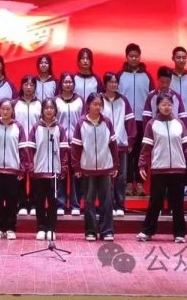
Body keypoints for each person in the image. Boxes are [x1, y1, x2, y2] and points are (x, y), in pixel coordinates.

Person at [136, 93, 187, 243]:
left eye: (169, 105)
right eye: (163, 105)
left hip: (178, 169)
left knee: (178, 203)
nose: (166, 107)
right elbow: (146, 147)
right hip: (159, 169)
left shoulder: (179, 123)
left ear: (173, 106)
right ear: (158, 106)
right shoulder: (151, 124)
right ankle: (147, 231)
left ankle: (179, 233)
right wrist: (142, 165)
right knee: (155, 201)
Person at [73, 93, 118, 241]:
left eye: (100, 104)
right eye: (95, 104)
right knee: (89, 201)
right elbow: (76, 147)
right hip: (88, 168)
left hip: (106, 167)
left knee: (107, 201)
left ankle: (107, 231)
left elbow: (113, 145)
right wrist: (77, 167)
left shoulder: (107, 122)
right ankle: (90, 231)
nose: (98, 107)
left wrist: (115, 165)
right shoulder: (81, 123)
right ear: (88, 105)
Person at [0, 99, 27, 239]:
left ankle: (11, 228)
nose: (5, 112)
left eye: (8, 109)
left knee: (12, 200)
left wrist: (22, 169)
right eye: (3, 109)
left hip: (13, 170)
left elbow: (23, 150)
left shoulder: (18, 127)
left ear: (12, 111)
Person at [26, 98, 68, 241]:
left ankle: (51, 229)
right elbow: (30, 150)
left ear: (55, 110)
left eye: (51, 108)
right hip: (39, 171)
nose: (49, 110)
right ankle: (41, 228)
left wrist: (63, 168)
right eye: (46, 108)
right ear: (42, 110)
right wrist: (31, 167)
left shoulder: (60, 128)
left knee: (53, 202)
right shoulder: (36, 128)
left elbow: (64, 151)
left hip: (54, 172)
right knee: (39, 201)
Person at [118, 43, 151, 197]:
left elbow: (152, 99)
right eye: (131, 56)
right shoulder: (120, 76)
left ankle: (139, 183)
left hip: (143, 121)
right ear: (126, 57)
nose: (133, 58)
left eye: (136, 56)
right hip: (126, 120)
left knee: (141, 152)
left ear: (140, 57)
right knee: (127, 153)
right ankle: (127, 184)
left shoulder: (147, 76)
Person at [101, 73, 135, 216]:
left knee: (121, 177)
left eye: (116, 82)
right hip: (104, 145)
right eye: (111, 82)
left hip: (121, 144)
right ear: (105, 84)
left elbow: (130, 121)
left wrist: (130, 140)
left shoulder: (123, 101)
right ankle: (108, 205)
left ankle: (120, 205)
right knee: (106, 176)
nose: (113, 85)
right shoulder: (99, 100)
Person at [54, 73, 85, 214]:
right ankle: (60, 204)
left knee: (76, 174)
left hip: (76, 143)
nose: (68, 84)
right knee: (60, 172)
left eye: (70, 82)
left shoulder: (80, 101)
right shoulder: (55, 101)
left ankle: (75, 205)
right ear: (61, 84)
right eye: (65, 82)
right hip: (59, 143)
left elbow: (84, 120)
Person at [14, 76, 42, 214]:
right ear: (22, 86)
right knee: (20, 175)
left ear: (35, 87)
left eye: (31, 85)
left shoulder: (40, 104)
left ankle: (35, 203)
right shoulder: (15, 104)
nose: (28, 87)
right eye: (26, 84)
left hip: (35, 144)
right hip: (18, 143)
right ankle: (22, 203)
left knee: (35, 175)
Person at [168, 46, 187, 120]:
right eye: (178, 58)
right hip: (171, 118)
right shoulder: (168, 76)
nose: (181, 60)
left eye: (184, 58)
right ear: (173, 58)